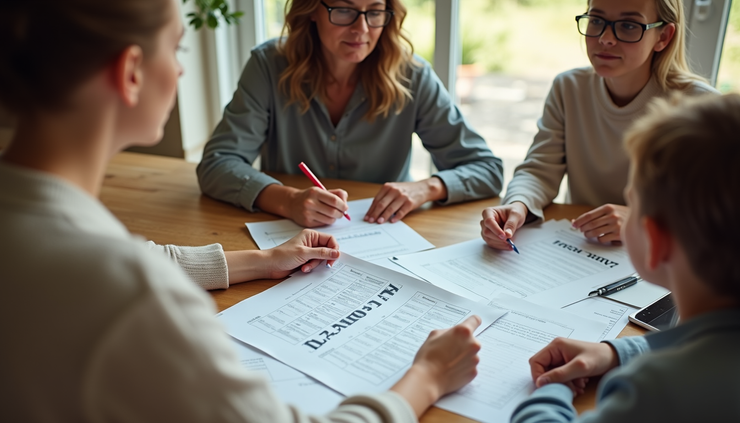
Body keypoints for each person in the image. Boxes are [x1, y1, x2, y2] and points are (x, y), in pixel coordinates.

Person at [0, 0, 483, 421]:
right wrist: (427, 375)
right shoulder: (137, 300)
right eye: (177, 48)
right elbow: (135, 269)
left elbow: (140, 259)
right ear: (130, 72)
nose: (182, 70)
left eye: (374, 11)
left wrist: (262, 261)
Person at [510, 93, 740, 422]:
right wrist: (617, 351)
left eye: (630, 204)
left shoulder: (654, 390)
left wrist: (552, 387)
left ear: (655, 240)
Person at [197, 0, 504, 228]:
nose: (362, 29)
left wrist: (426, 187)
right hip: (289, 239)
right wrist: (287, 200)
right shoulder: (268, 66)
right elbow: (217, 163)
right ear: (312, 10)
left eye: (374, 11)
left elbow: (486, 169)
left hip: (385, 238)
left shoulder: (413, 76)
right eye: (344, 9)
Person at [480, 0, 717, 251]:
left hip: (661, 254)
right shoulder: (568, 88)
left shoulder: (699, 105)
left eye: (627, 25)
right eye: (596, 20)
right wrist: (518, 204)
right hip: (582, 247)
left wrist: (642, 220)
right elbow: (539, 171)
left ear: (664, 36)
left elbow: (713, 208)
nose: (605, 38)